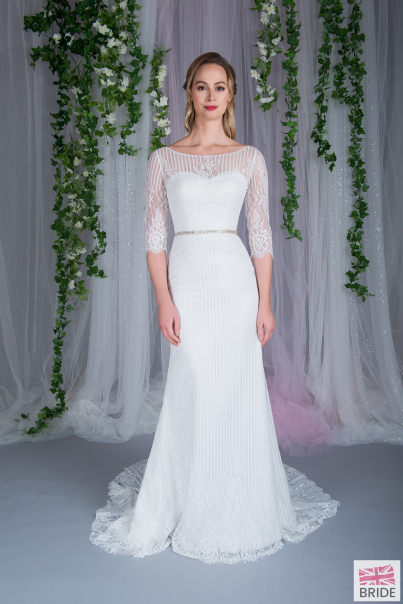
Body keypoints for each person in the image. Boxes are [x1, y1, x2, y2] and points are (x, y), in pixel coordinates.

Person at [89, 52, 340, 565]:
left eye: (219, 87)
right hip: (187, 279)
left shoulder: (249, 158)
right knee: (195, 382)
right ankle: (187, 497)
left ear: (230, 95)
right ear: (188, 92)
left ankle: (237, 498)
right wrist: (164, 299)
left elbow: (262, 236)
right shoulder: (164, 159)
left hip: (234, 279)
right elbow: (154, 239)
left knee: (235, 385)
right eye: (201, 86)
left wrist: (265, 302)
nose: (210, 96)